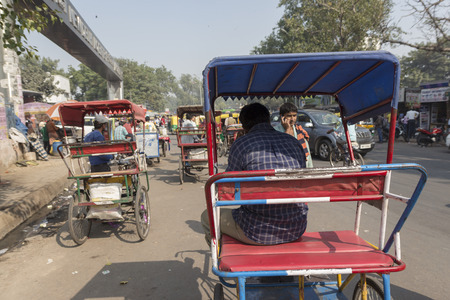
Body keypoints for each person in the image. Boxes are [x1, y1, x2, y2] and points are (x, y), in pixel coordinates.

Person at [201, 103, 308, 246]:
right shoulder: (294, 143)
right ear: (268, 120)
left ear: (244, 126)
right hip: (296, 227)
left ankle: (221, 252)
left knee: (206, 216)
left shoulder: (241, 145)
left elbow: (228, 190)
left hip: (256, 231)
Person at [273, 102, 313, 168]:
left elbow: (307, 154)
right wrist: (287, 129)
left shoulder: (299, 131)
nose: (292, 119)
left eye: (294, 116)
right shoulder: (275, 131)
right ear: (282, 116)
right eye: (289, 116)